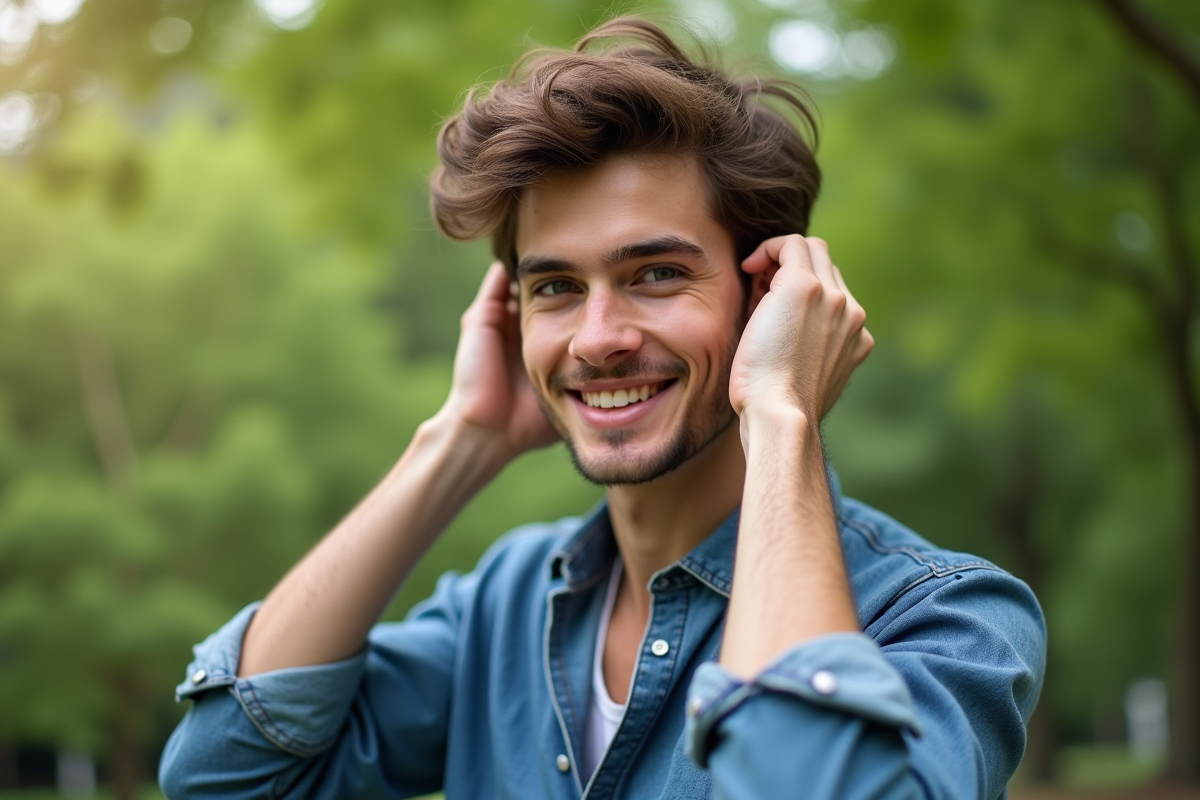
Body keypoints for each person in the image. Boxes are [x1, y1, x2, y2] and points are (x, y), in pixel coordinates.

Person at [159, 16, 1045, 800]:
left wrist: (783, 416)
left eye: (655, 273)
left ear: (771, 297)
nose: (596, 339)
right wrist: (460, 441)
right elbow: (225, 772)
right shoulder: (502, 606)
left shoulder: (944, 618)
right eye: (555, 287)